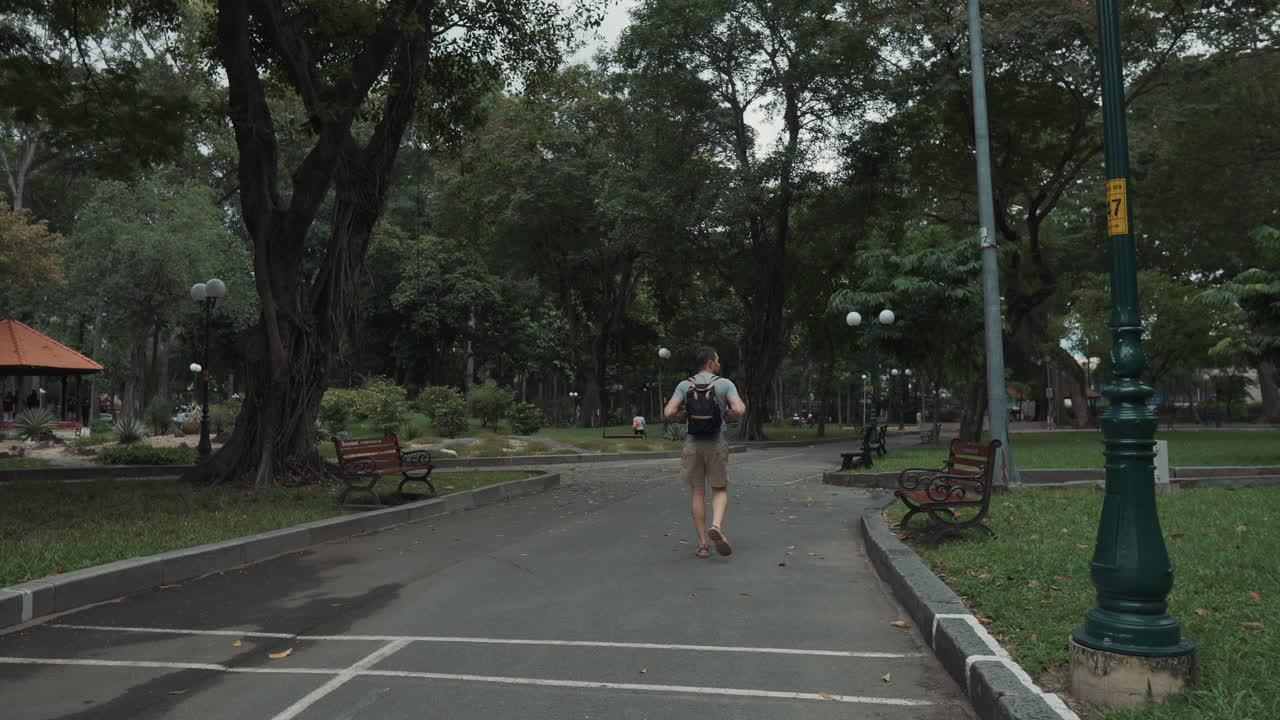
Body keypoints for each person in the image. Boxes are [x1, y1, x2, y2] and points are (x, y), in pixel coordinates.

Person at [664, 347, 747, 559]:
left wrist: (684, 414)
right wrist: (725, 412)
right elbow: (740, 410)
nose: (719, 364)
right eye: (717, 360)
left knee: (698, 492)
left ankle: (702, 545)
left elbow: (668, 412)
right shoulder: (724, 383)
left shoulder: (684, 385)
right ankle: (716, 526)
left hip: (692, 445)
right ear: (710, 363)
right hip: (716, 443)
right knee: (719, 489)